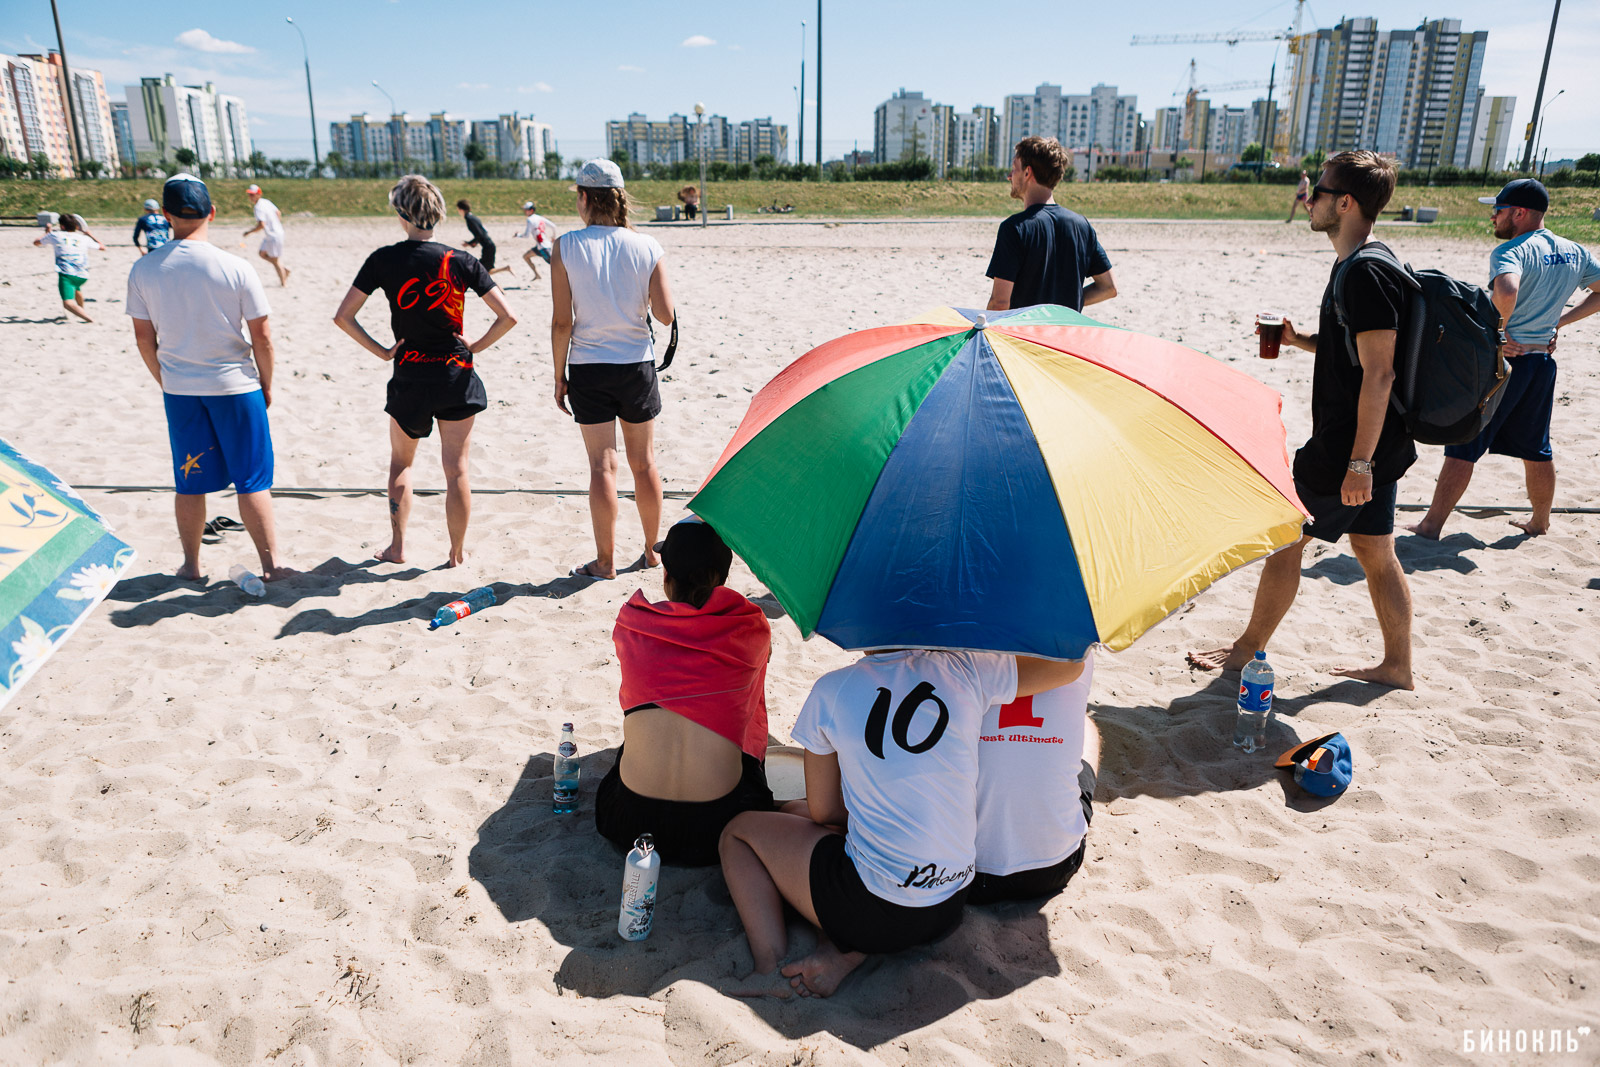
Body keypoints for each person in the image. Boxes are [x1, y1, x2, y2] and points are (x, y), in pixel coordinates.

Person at [718, 649, 1085, 998]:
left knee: (739, 832)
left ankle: (769, 966)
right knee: (800, 822)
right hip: (952, 901)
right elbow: (1071, 668)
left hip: (878, 912)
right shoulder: (967, 671)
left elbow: (825, 811)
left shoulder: (833, 689)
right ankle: (840, 949)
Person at [1188, 150, 1414, 691]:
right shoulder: (1358, 263)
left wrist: (1359, 462)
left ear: (1346, 202)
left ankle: (1245, 651)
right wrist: (1299, 341)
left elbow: (1380, 374)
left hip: (1350, 446)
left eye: (1319, 191)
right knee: (1375, 549)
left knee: (1287, 536)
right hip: (1374, 441)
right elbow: (1356, 352)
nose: (1308, 199)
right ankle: (1398, 666)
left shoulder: (1366, 272)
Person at [333, 175, 517, 568]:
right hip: (456, 373)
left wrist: (383, 351)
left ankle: (398, 547)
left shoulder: (384, 259)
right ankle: (456, 553)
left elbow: (343, 317)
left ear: (402, 214)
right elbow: (508, 316)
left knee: (401, 465)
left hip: (411, 375)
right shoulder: (460, 260)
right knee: (458, 472)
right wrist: (476, 345)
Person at [1406, 179, 1600, 540]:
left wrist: (1496, 333)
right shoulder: (1574, 251)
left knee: (1464, 444)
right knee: (1537, 447)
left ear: (1519, 213)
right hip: (1542, 362)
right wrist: (1559, 321)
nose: (1493, 216)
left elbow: (1507, 289)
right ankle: (1540, 522)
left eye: (1498, 209)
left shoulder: (1513, 250)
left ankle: (1431, 525)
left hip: (1505, 363)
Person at [126, 173, 293, 583]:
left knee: (189, 482)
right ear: (212, 213)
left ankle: (191, 566)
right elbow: (263, 337)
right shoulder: (235, 266)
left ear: (165, 216)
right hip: (235, 386)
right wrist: (267, 383)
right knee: (251, 480)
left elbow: (143, 339)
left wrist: (164, 380)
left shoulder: (144, 268)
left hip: (181, 389)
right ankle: (271, 567)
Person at [596, 518, 776, 866]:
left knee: (631, 744)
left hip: (630, 823)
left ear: (666, 577)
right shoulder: (750, 629)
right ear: (722, 581)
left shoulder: (632, 624)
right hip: (719, 825)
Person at [550, 158, 673, 580]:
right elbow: (665, 316)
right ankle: (652, 553)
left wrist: (558, 375)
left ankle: (604, 562)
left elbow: (562, 321)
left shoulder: (566, 245)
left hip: (587, 365)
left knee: (602, 466)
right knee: (645, 464)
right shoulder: (647, 246)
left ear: (584, 198)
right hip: (636, 364)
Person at [971, 654, 1099, 904]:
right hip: (1052, 868)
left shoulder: (957, 659)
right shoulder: (1076, 656)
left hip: (960, 870)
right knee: (1086, 725)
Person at [986, 136, 1116, 313]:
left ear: (1027, 173)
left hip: (1025, 336)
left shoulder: (1015, 228)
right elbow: (1108, 288)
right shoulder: (1082, 226)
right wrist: (1066, 302)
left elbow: (1000, 303)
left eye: (1014, 169)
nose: (1009, 176)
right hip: (1064, 338)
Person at [34, 213, 105, 323]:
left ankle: (88, 318)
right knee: (76, 288)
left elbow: (36, 242)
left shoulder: (55, 235)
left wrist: (47, 232)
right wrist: (89, 234)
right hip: (83, 275)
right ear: (76, 226)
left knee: (67, 303)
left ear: (62, 226)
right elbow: (102, 247)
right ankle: (81, 310)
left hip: (66, 275)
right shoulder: (83, 238)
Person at [243, 184, 290, 286]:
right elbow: (278, 212)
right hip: (274, 233)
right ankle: (284, 269)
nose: (251, 197)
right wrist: (276, 224)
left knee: (276, 260)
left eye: (253, 195)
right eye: (250, 195)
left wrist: (249, 232)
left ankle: (284, 283)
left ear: (259, 194)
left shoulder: (258, 207)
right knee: (262, 253)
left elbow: (261, 225)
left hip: (273, 235)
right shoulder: (266, 202)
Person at [456, 199, 506, 277]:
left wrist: (470, 243)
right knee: (485, 271)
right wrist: (472, 243)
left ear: (461, 209)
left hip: (488, 247)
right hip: (489, 246)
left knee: (481, 270)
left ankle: (499, 284)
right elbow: (482, 233)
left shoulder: (469, 219)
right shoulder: (473, 217)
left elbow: (479, 234)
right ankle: (506, 270)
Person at [514, 200, 555, 280]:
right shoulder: (540, 218)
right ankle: (537, 275)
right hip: (541, 246)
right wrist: (553, 237)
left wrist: (518, 235)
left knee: (555, 266)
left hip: (543, 247)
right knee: (526, 256)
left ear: (531, 210)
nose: (524, 212)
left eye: (526, 210)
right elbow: (553, 226)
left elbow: (526, 235)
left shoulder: (530, 220)